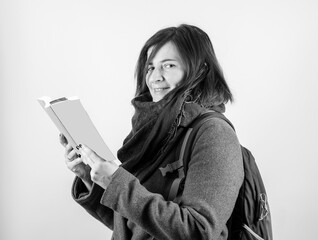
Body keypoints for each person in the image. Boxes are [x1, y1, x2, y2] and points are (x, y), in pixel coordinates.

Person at [60, 24, 244, 240]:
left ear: (200, 70)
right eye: (150, 68)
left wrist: (116, 184)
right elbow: (134, 224)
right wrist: (89, 177)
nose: (155, 77)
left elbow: (198, 231)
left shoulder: (214, 133)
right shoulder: (155, 130)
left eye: (169, 65)